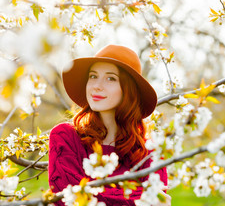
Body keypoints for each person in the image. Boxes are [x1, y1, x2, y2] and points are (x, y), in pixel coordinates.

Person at [48, 45, 171, 205]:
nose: (97, 85)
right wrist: (137, 200)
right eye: (93, 76)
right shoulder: (65, 136)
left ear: (129, 90)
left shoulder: (150, 152)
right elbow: (67, 198)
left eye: (110, 78)